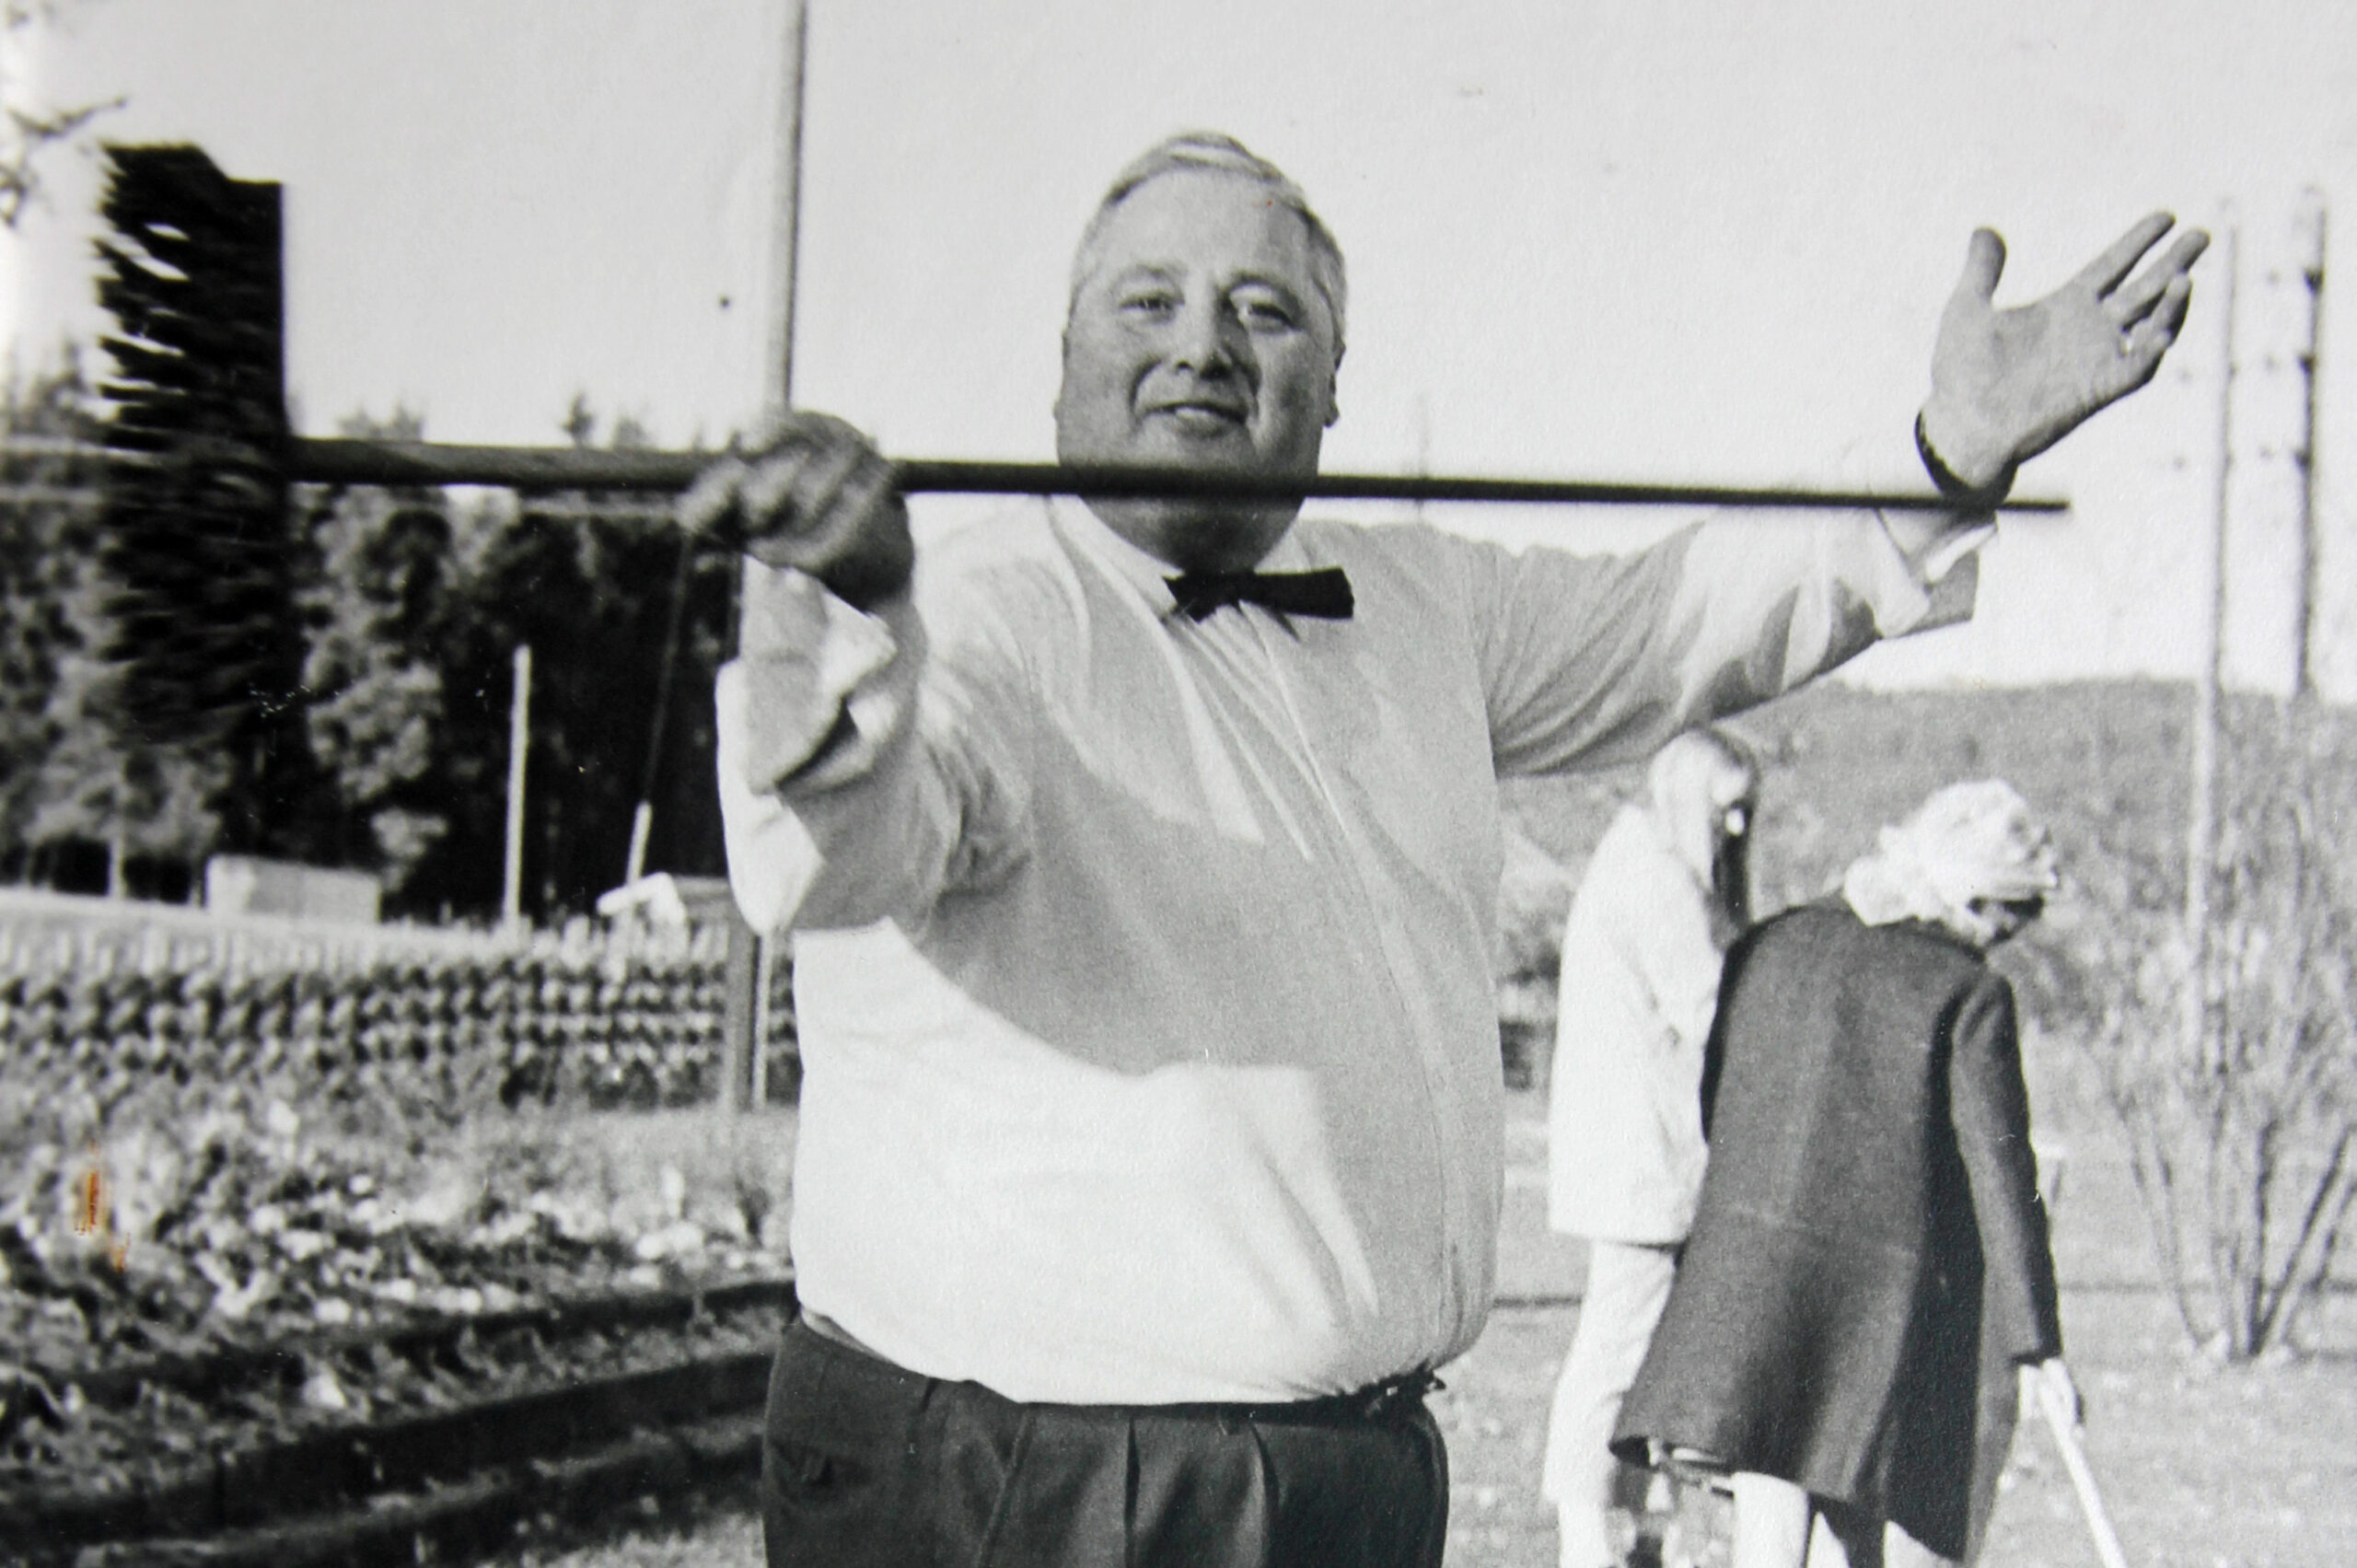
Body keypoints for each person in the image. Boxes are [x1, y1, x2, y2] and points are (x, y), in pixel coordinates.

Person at [688, 131, 2203, 1568]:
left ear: (1335, 386)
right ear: (1065, 357)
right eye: (1147, 300)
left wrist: (1942, 456)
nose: (1203, 344)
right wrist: (840, 629)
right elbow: (836, 854)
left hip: (1351, 1475)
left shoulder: (1417, 602)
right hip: (1032, 1486)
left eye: (1262, 310)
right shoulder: (982, 616)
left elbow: (1682, 620)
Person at [1612, 780, 2075, 1568]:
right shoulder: (1969, 992)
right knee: (1848, 1501)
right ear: (1969, 895)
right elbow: (2005, 1173)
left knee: (1771, 1505)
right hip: (1871, 1305)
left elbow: (1718, 1094)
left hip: (1749, 1277)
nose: (2007, 938)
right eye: (2009, 913)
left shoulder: (1773, 942)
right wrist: (2038, 1345)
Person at [1540, 727, 1759, 1568]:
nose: (1737, 833)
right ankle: (1587, 1533)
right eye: (1727, 813)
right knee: (1620, 1347)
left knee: (1648, 1347)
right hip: (1645, 1156)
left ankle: (1638, 1531)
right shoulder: (1658, 880)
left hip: (1644, 1150)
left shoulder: (1640, 860)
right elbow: (1716, 1007)